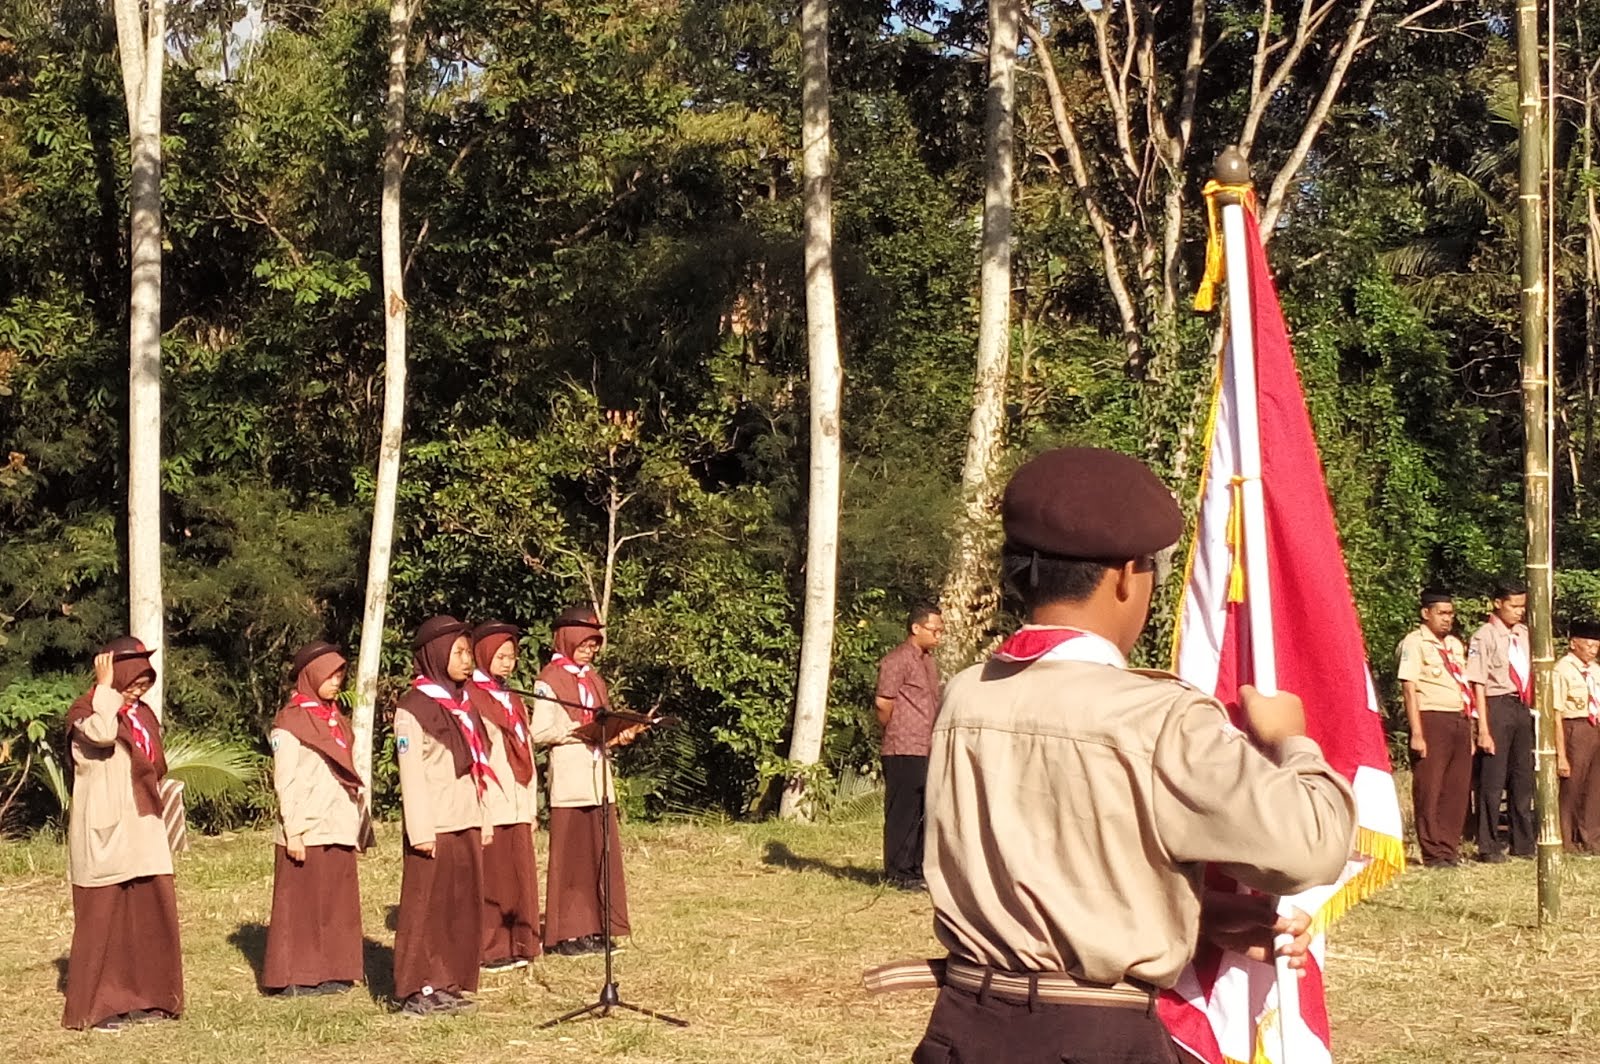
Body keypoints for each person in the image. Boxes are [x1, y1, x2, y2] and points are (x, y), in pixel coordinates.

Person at [874, 447, 1356, 1064]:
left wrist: (1194, 914)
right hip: (1094, 1039)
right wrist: (1292, 739)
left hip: (966, 1027)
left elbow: (1045, 866)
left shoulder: (967, 694)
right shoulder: (1156, 716)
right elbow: (1312, 845)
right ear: (1128, 576)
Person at [62, 637, 183, 1033]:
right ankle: (98, 1007)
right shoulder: (87, 711)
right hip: (106, 828)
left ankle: (147, 998)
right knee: (104, 918)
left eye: (145, 682)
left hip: (143, 825)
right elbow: (101, 734)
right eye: (133, 681)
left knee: (147, 913)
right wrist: (104, 690)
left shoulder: (143, 715)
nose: (137, 690)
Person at [392, 615, 496, 1017]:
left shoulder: (464, 705)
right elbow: (412, 776)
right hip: (434, 823)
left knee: (458, 906)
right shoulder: (413, 708)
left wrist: (484, 819)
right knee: (426, 908)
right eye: (459, 652)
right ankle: (417, 986)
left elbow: (479, 768)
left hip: (465, 818)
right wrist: (421, 830)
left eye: (469, 652)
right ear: (436, 654)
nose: (468, 660)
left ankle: (448, 979)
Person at [529, 606, 643, 956]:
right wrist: (578, 731)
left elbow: (602, 730)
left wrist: (620, 734)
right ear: (567, 640)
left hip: (598, 777)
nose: (589, 651)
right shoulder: (549, 680)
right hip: (570, 778)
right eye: (584, 644)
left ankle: (596, 926)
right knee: (572, 858)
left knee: (599, 855)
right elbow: (539, 732)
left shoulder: (594, 680)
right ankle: (567, 933)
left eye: (594, 645)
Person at [262, 640, 364, 996]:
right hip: (307, 825)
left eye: (340, 675)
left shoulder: (337, 721)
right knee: (300, 903)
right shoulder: (290, 722)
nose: (337, 682)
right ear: (311, 675)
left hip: (338, 822)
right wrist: (294, 831)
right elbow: (286, 781)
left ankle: (333, 969)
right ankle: (294, 975)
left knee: (335, 901)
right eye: (330, 675)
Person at [467, 620, 542, 971]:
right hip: (491, 797)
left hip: (517, 796)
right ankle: (491, 947)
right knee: (494, 876)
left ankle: (521, 942)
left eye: (511, 657)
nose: (507, 663)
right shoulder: (471, 697)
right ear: (483, 655)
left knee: (519, 873)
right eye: (500, 656)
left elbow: (527, 750)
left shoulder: (513, 699)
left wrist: (531, 804)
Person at [1396, 588, 1475, 867]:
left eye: (1450, 613)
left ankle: (1449, 847)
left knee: (1456, 788)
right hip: (1431, 718)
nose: (1447, 618)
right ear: (1425, 613)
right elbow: (1409, 689)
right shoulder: (1414, 643)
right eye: (1441, 613)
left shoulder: (1454, 644)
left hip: (1459, 718)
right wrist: (1417, 733)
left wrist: (1471, 729)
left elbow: (1464, 686)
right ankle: (1432, 851)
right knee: (1430, 786)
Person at [874, 603, 944, 889]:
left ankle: (916, 868)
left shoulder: (927, 661)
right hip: (903, 746)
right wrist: (895, 729)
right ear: (916, 628)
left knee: (922, 809)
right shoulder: (897, 660)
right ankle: (898, 872)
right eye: (934, 630)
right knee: (902, 810)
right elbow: (883, 702)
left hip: (926, 746)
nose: (939, 636)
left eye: (941, 631)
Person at [1467, 581, 1534, 862]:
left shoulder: (1524, 634)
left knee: (1522, 776)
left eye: (1522, 606)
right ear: (1498, 603)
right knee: (1493, 780)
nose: (1519, 611)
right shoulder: (1484, 636)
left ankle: (1523, 843)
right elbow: (1478, 683)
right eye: (1513, 605)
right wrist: (1483, 727)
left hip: (1521, 706)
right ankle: (1488, 844)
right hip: (1496, 704)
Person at [1553, 620, 1600, 852]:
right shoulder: (1562, 669)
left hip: (1595, 727)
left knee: (1594, 786)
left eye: (1596, 646)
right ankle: (1566, 839)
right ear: (1573, 644)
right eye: (1588, 645)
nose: (1593, 651)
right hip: (1575, 727)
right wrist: (1561, 754)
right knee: (1572, 786)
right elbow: (1556, 712)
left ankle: (1591, 838)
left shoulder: (1596, 670)